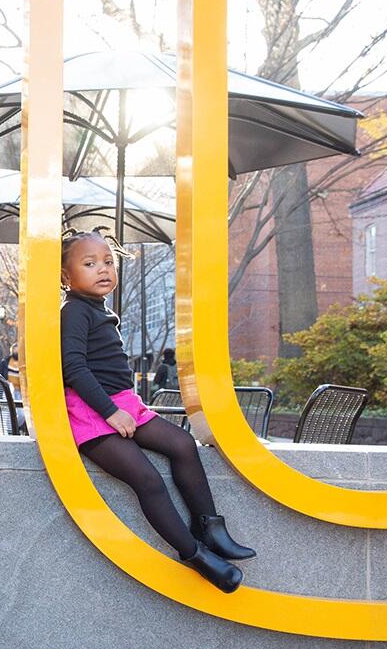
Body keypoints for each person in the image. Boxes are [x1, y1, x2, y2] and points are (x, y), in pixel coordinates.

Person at [60, 230, 254, 592]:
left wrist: (122, 408)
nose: (102, 269)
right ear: (65, 277)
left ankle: (209, 526)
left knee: (182, 444)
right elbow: (74, 368)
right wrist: (109, 413)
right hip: (90, 411)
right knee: (146, 479)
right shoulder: (73, 311)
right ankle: (194, 553)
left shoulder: (99, 309)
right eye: (89, 264)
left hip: (122, 402)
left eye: (107, 262)